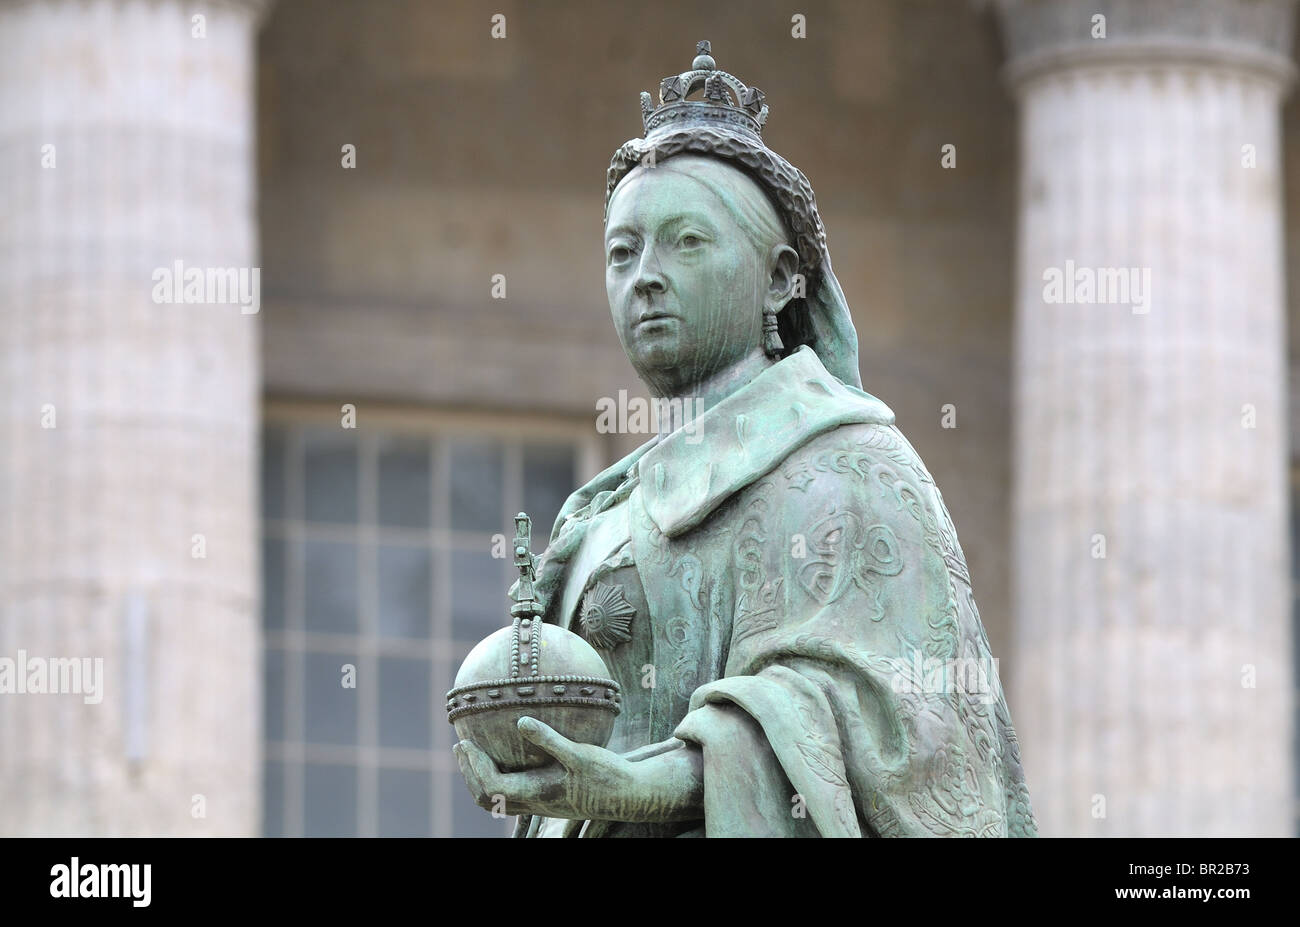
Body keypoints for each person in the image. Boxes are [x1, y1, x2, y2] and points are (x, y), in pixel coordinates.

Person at [453, 42, 1038, 838]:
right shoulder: (601, 512)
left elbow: (903, 738)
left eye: (687, 242)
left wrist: (641, 784)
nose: (645, 276)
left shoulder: (851, 466)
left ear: (780, 278)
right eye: (623, 252)